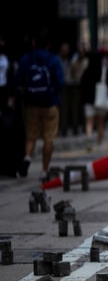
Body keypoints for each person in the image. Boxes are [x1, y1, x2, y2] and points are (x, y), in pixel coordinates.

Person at [14, 27, 65, 179]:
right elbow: (60, 82)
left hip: (31, 103)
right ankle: (44, 170)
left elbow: (18, 80)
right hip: (50, 103)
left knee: (31, 135)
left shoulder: (26, 59)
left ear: (34, 42)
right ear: (48, 44)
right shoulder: (54, 59)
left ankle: (27, 157)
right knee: (49, 137)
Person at [80, 48, 108, 151]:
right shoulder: (103, 71)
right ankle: (99, 143)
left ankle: (89, 138)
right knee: (100, 123)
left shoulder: (86, 72)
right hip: (101, 100)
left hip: (88, 100)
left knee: (89, 122)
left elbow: (82, 86)